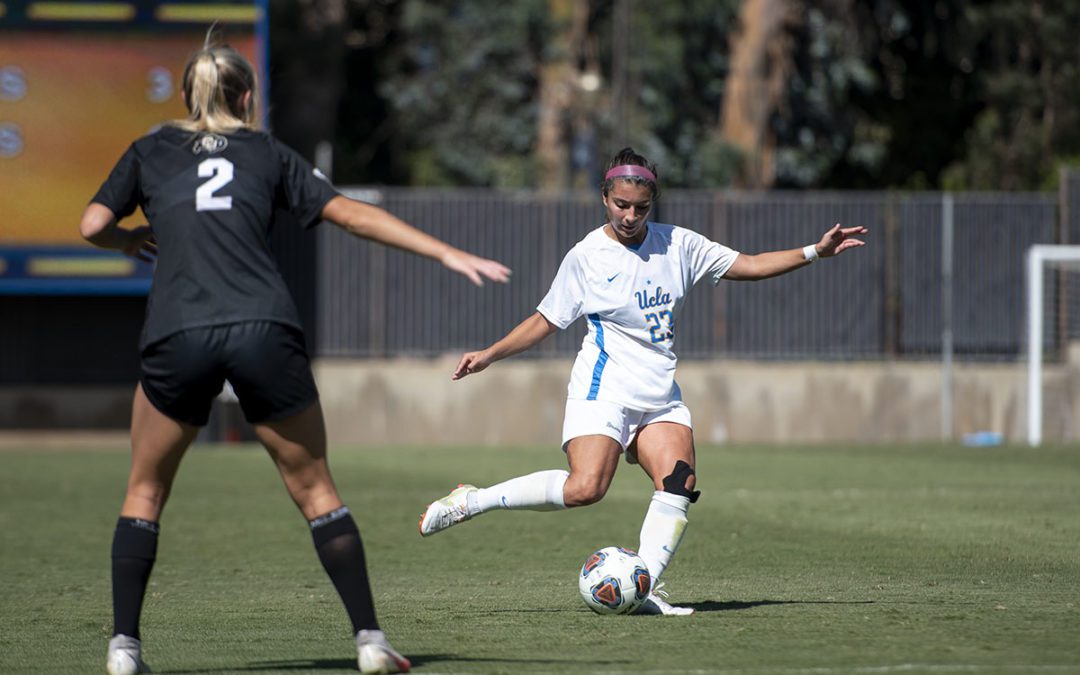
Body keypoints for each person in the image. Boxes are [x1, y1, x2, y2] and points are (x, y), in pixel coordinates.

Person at [82, 39, 510, 675]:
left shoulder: (150, 150)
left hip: (180, 330)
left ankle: (124, 651)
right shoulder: (265, 152)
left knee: (145, 491)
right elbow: (352, 216)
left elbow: (91, 224)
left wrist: (125, 240)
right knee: (315, 489)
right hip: (262, 327)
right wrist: (446, 253)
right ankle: (369, 641)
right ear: (248, 99)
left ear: (185, 97)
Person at [419, 147, 866, 615]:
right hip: (605, 390)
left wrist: (816, 251)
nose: (630, 216)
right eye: (621, 205)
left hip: (659, 397)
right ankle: (474, 500)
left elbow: (749, 265)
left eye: (641, 208)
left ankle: (643, 586)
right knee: (586, 489)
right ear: (604, 198)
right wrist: (490, 355)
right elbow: (546, 320)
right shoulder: (586, 256)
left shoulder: (679, 244)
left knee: (678, 481)